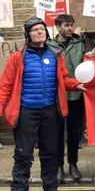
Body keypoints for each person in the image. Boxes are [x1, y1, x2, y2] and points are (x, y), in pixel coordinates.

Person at [0, 17, 85, 191]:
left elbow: (64, 80)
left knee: (50, 155)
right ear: (27, 34)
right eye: (34, 30)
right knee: (23, 155)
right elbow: (5, 86)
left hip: (51, 112)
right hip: (26, 113)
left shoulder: (56, 54)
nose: (39, 32)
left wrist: (77, 85)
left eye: (42, 29)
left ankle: (50, 187)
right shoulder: (18, 57)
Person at [48, 14, 86, 183]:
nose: (70, 28)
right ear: (58, 27)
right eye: (66, 25)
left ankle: (73, 164)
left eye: (71, 25)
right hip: (57, 97)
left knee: (73, 133)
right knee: (57, 134)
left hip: (77, 96)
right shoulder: (49, 46)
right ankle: (58, 166)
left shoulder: (80, 43)